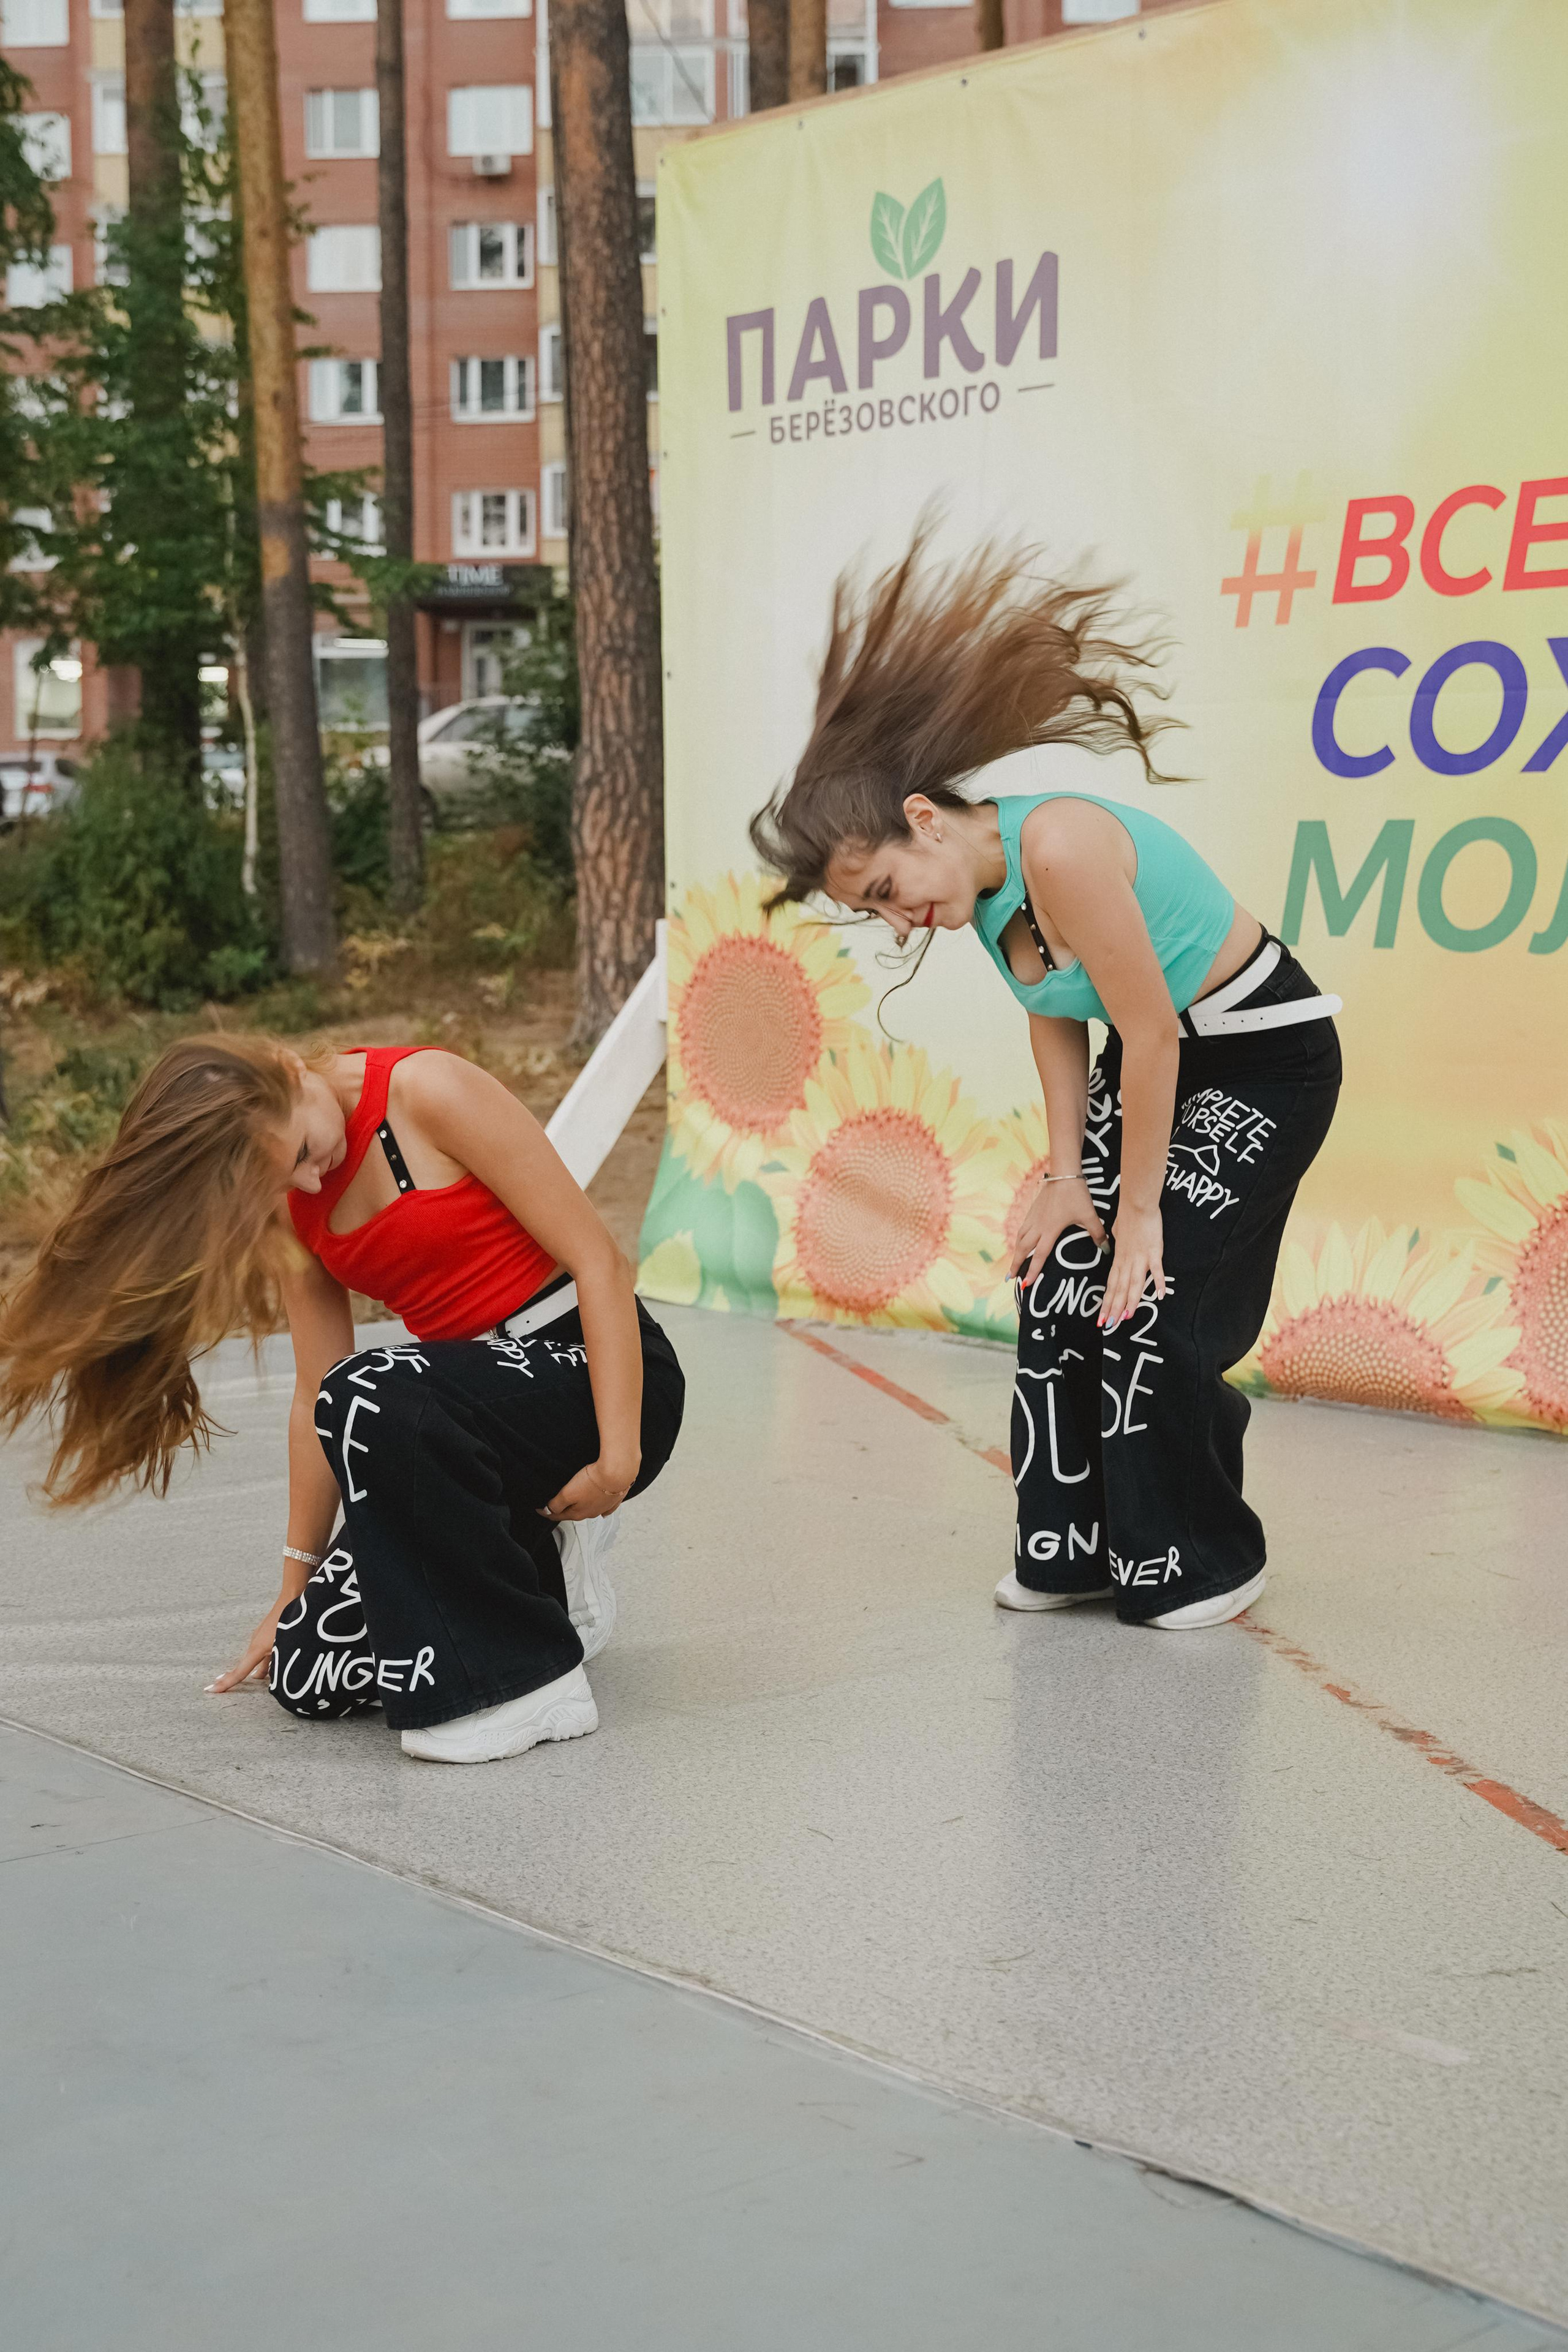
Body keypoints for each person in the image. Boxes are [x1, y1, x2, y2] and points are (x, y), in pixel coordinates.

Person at [750, 535, 1340, 1629]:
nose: (895, 923)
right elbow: (1057, 1016)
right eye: (872, 912)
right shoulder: (977, 893)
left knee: (1149, 1291)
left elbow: (1151, 1033)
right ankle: (1072, 1547)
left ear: (923, 819)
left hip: (1259, 1056)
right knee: (1060, 1271)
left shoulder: (1059, 846)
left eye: (885, 891)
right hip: (1154, 1060)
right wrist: (1068, 1178)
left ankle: (1203, 1556)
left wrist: (1139, 1209)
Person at [0, 1037, 684, 1758]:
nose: (306, 1181)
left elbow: (599, 1263)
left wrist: (617, 1460)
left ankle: (537, 1684)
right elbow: (314, 1394)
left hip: (591, 1373)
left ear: (287, 1067)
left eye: (301, 1152)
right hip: (461, 1424)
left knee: (368, 1387)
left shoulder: (428, 1091)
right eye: (282, 1177)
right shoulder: (290, 1199)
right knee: (307, 1670)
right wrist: (292, 1588)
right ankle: (544, 1572)